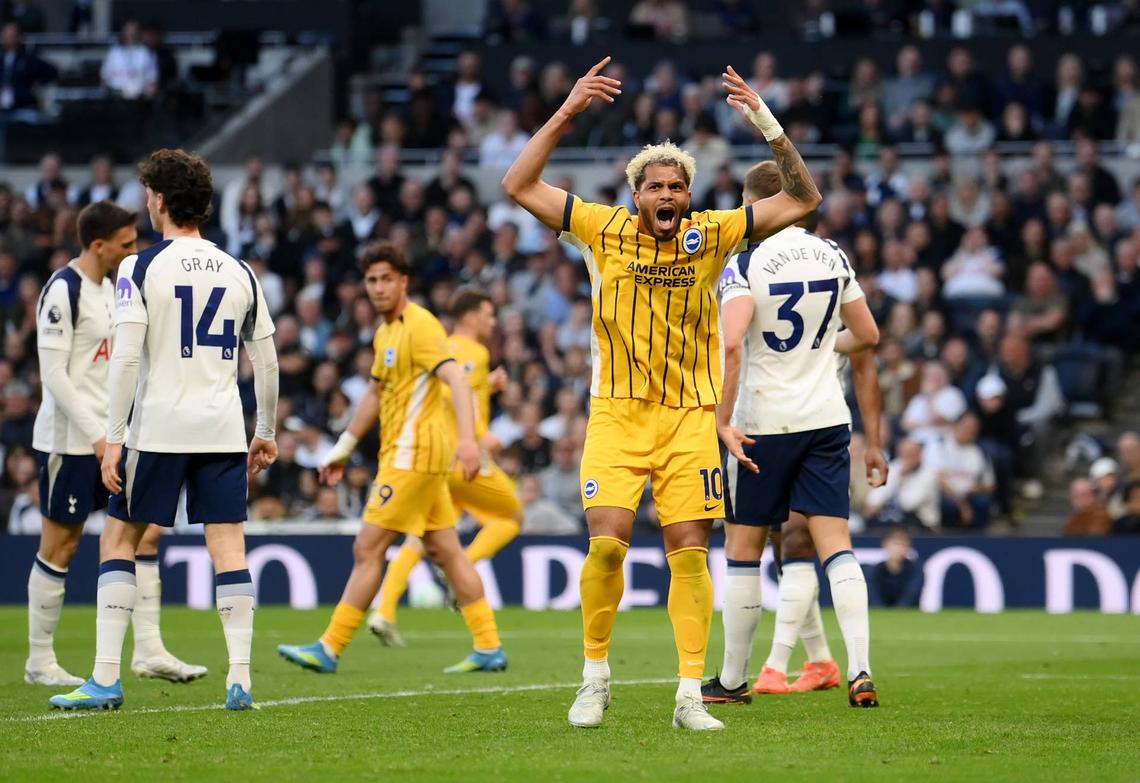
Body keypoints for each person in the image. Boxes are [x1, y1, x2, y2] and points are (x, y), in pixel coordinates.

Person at [501, 57, 821, 731]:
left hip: (688, 419)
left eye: (677, 185)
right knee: (608, 546)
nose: (668, 194)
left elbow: (804, 200)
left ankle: (686, 696)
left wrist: (764, 120)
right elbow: (517, 182)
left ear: (688, 192)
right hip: (616, 413)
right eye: (655, 187)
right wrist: (567, 111)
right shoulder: (598, 227)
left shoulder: (712, 234)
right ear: (636, 194)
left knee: (687, 550)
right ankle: (595, 679)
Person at [49, 150, 280, 712]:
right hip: (223, 428)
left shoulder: (139, 267)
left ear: (160, 201)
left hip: (159, 429)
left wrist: (115, 435)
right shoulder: (239, 269)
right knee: (228, 547)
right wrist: (265, 429)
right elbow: (266, 360)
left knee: (119, 538)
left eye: (149, 194)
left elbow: (126, 358)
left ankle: (106, 677)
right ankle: (242, 679)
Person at [702, 163, 888, 704]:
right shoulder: (834, 254)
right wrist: (821, 348)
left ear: (762, 205)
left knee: (744, 549)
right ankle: (860, 670)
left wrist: (722, 418)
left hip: (763, 423)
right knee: (838, 547)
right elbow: (868, 335)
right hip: (827, 419)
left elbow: (733, 344)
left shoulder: (745, 261)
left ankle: (734, 680)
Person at [277, 243, 507, 676]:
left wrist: (468, 441)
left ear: (404, 281)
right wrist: (345, 445)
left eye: (386, 279)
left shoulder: (420, 326)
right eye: (371, 280)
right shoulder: (386, 332)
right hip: (411, 457)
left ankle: (330, 646)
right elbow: (377, 392)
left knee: (369, 546)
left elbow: (455, 376)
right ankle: (489, 645)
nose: (378, 288)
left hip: (414, 457)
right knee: (447, 551)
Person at [27, 201, 204, 687]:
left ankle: (149, 650)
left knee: (145, 533)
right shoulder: (63, 290)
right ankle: (39, 660)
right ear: (98, 244)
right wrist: (98, 437)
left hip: (116, 441)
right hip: (72, 440)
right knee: (60, 544)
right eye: (126, 243)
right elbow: (55, 377)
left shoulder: (114, 289)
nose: (135, 248)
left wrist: (120, 435)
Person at [370, 289, 523, 646]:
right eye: (488, 314)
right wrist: (482, 435)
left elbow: (450, 391)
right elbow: (460, 395)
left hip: (434, 457)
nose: (492, 321)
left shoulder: (440, 345)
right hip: (464, 458)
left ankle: (385, 610)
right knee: (512, 517)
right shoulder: (476, 351)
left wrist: (490, 386)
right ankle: (461, 572)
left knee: (420, 536)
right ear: (470, 317)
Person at [868, 527, 924, 608]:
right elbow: (874, 599)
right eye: (896, 543)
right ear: (885, 544)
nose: (900, 548)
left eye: (904, 544)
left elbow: (910, 598)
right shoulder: (875, 571)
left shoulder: (916, 571)